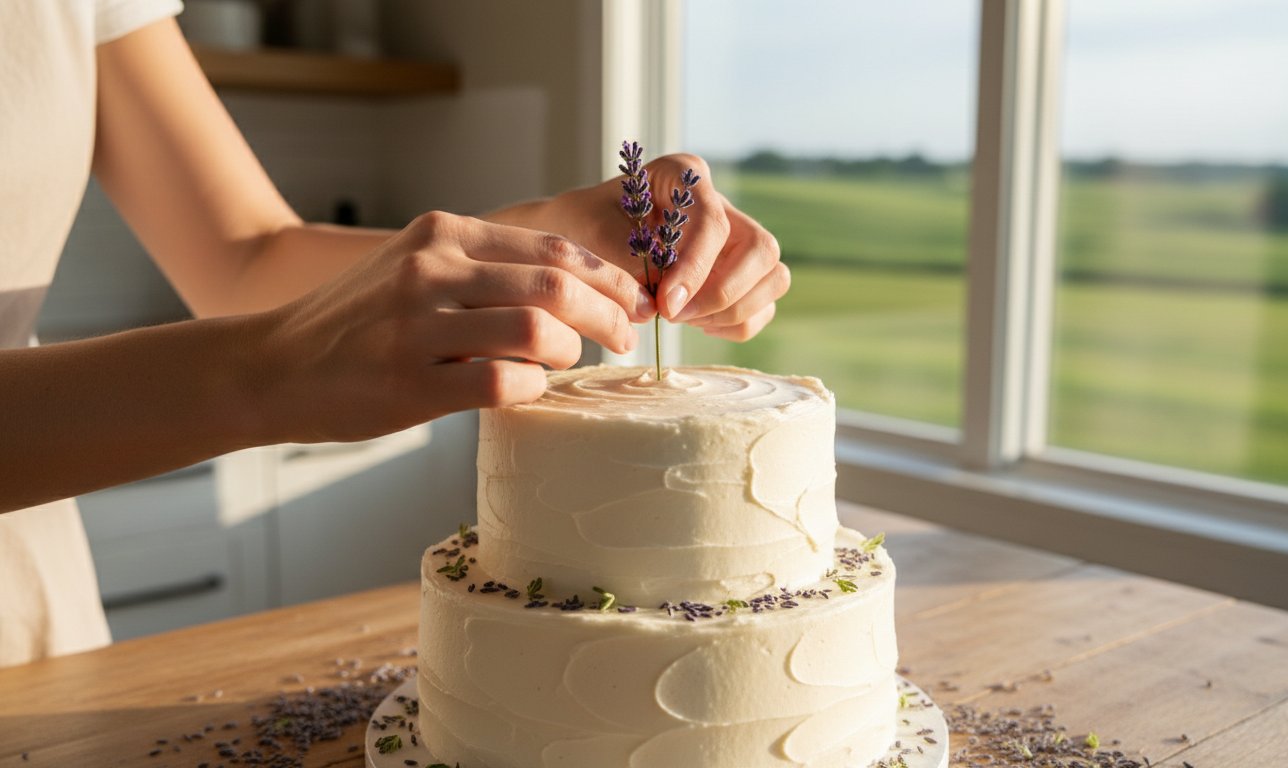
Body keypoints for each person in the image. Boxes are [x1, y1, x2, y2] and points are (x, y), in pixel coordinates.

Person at [0, 1, 788, 667]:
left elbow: (244, 258)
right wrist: (264, 373)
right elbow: (257, 323)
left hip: (35, 628)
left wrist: (551, 235)